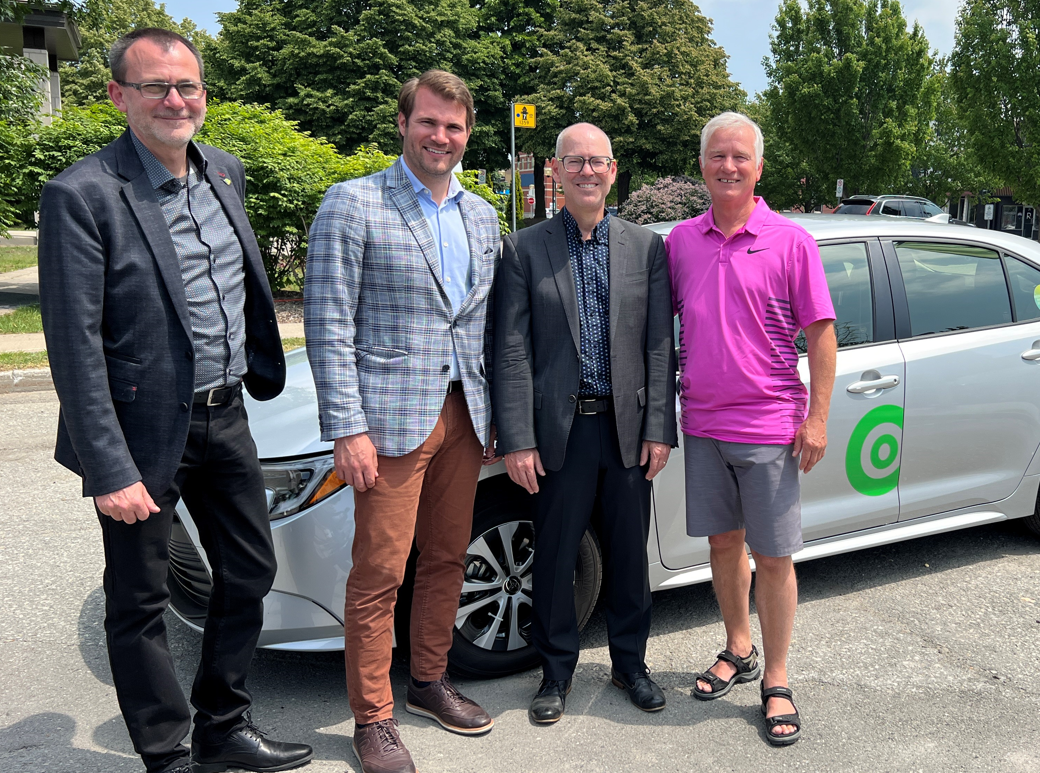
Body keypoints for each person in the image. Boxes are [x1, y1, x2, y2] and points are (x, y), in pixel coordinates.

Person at [35, 27, 313, 773]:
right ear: (118, 95)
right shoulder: (80, 194)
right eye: (155, 85)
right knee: (139, 599)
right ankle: (167, 754)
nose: (175, 99)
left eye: (187, 85)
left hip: (225, 415)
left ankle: (223, 725)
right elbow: (74, 344)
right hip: (138, 431)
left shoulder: (224, 171)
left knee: (249, 571)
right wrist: (109, 467)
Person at [304, 70, 501, 773]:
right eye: (428, 122)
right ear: (402, 123)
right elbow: (329, 323)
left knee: (448, 555)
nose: (440, 136)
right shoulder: (352, 202)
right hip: (387, 420)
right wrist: (346, 426)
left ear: (466, 133)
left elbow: (481, 324)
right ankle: (373, 716)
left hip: (464, 415)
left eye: (453, 126)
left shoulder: (481, 214)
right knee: (380, 569)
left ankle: (426, 679)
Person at [491, 122, 677, 724]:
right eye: (575, 162)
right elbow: (511, 349)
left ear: (613, 170)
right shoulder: (525, 248)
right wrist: (517, 437)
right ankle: (555, 673)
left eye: (597, 161)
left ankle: (630, 665)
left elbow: (658, 346)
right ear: (556, 171)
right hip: (557, 434)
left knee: (628, 555)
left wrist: (658, 428)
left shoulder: (647, 248)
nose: (587, 171)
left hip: (626, 430)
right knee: (555, 557)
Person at [665, 112, 837, 747]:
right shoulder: (680, 242)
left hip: (769, 426)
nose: (728, 166)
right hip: (703, 424)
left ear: (758, 167)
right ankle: (738, 649)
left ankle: (777, 677)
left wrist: (817, 417)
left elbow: (821, 335)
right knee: (721, 546)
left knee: (772, 556)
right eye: (717, 156)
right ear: (703, 164)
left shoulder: (791, 242)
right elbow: (663, 334)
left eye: (740, 156)